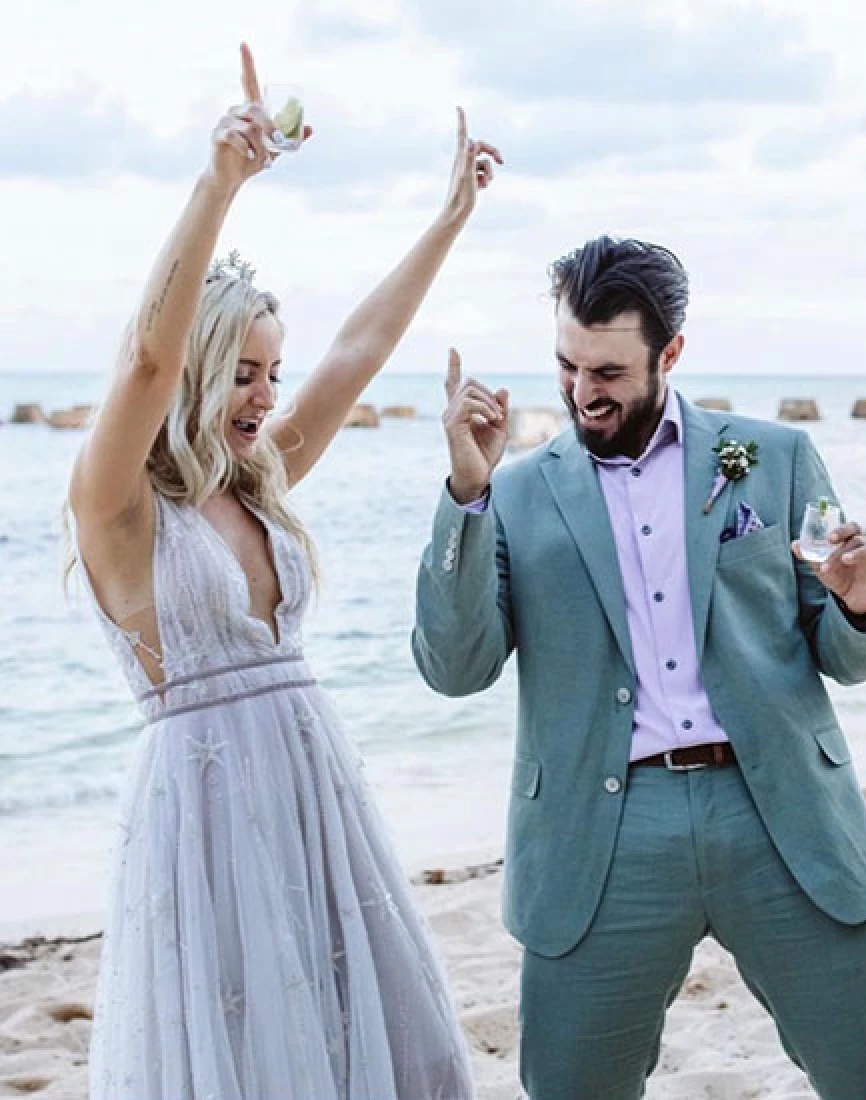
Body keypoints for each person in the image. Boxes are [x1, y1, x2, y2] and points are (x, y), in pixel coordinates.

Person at [69, 42, 500, 1099]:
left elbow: (356, 351)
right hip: (206, 812)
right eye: (241, 373)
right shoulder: (115, 507)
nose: (264, 395)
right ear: (200, 368)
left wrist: (447, 221)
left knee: (372, 1039)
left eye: (269, 371)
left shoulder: (260, 478)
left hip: (316, 784)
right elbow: (144, 361)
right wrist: (219, 184)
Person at [412, 235, 866, 1099]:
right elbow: (456, 669)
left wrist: (863, 605)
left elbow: (846, 658)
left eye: (610, 372)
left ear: (671, 354)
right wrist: (466, 497)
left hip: (783, 816)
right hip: (602, 837)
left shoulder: (775, 459)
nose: (584, 393)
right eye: (568, 366)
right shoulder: (512, 493)